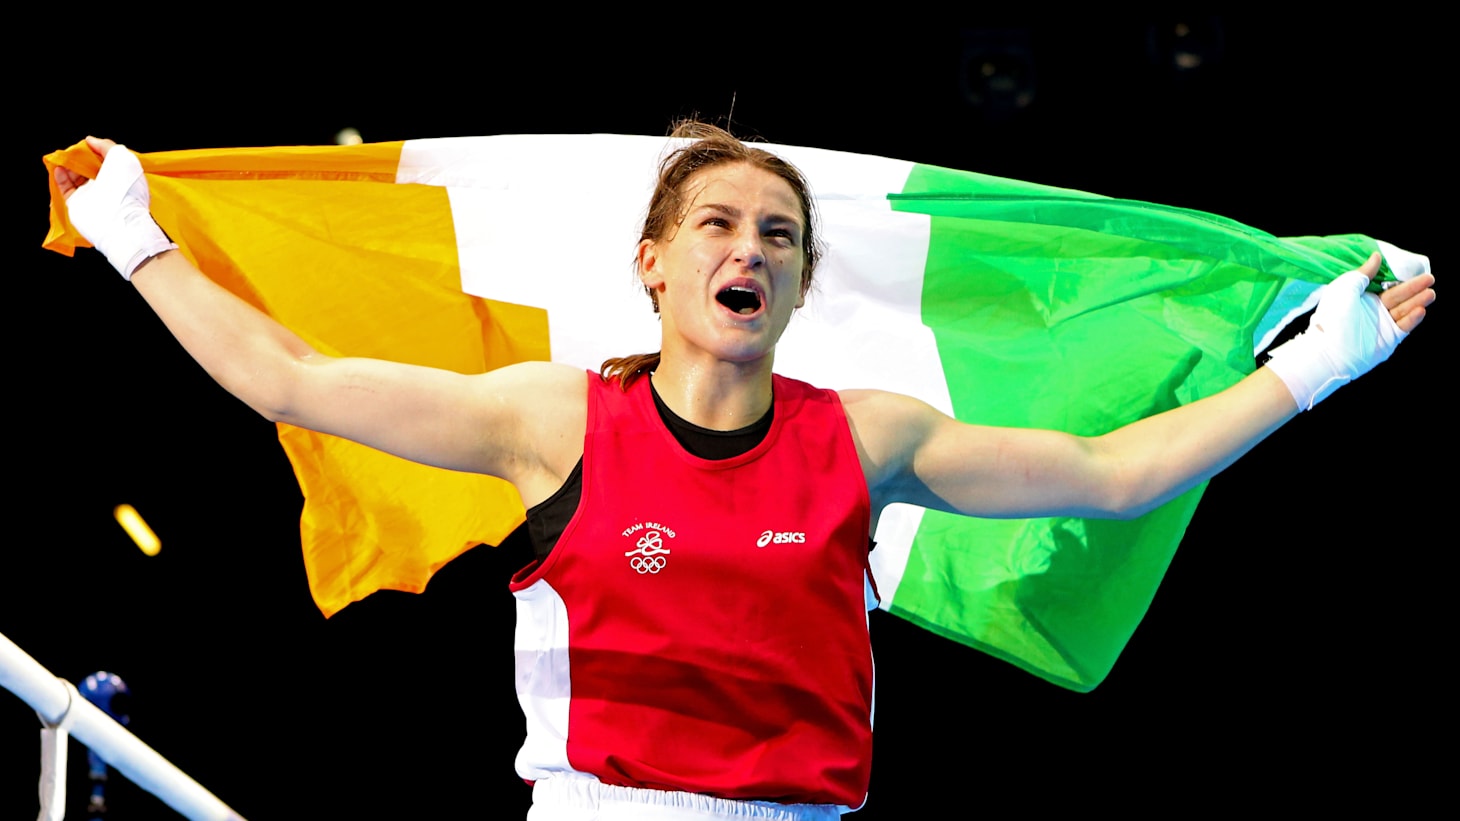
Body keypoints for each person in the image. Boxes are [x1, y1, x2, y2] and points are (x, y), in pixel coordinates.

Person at [55, 122, 1435, 820]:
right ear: (654, 266)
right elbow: (292, 380)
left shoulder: (868, 437)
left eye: (779, 234)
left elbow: (1114, 473)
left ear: (798, 282)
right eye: (718, 223)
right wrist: (134, 238)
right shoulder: (557, 420)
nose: (750, 248)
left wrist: (1322, 363)